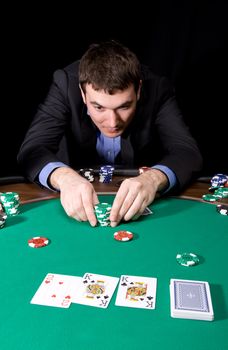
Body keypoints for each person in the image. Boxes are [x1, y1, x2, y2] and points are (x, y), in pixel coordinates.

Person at [17, 40, 203, 227]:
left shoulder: (157, 88)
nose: (113, 122)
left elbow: (186, 151)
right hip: (77, 195)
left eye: (125, 106)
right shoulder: (65, 84)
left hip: (139, 201)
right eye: (99, 107)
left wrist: (153, 179)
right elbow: (32, 149)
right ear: (83, 94)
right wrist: (64, 178)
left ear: (138, 90)